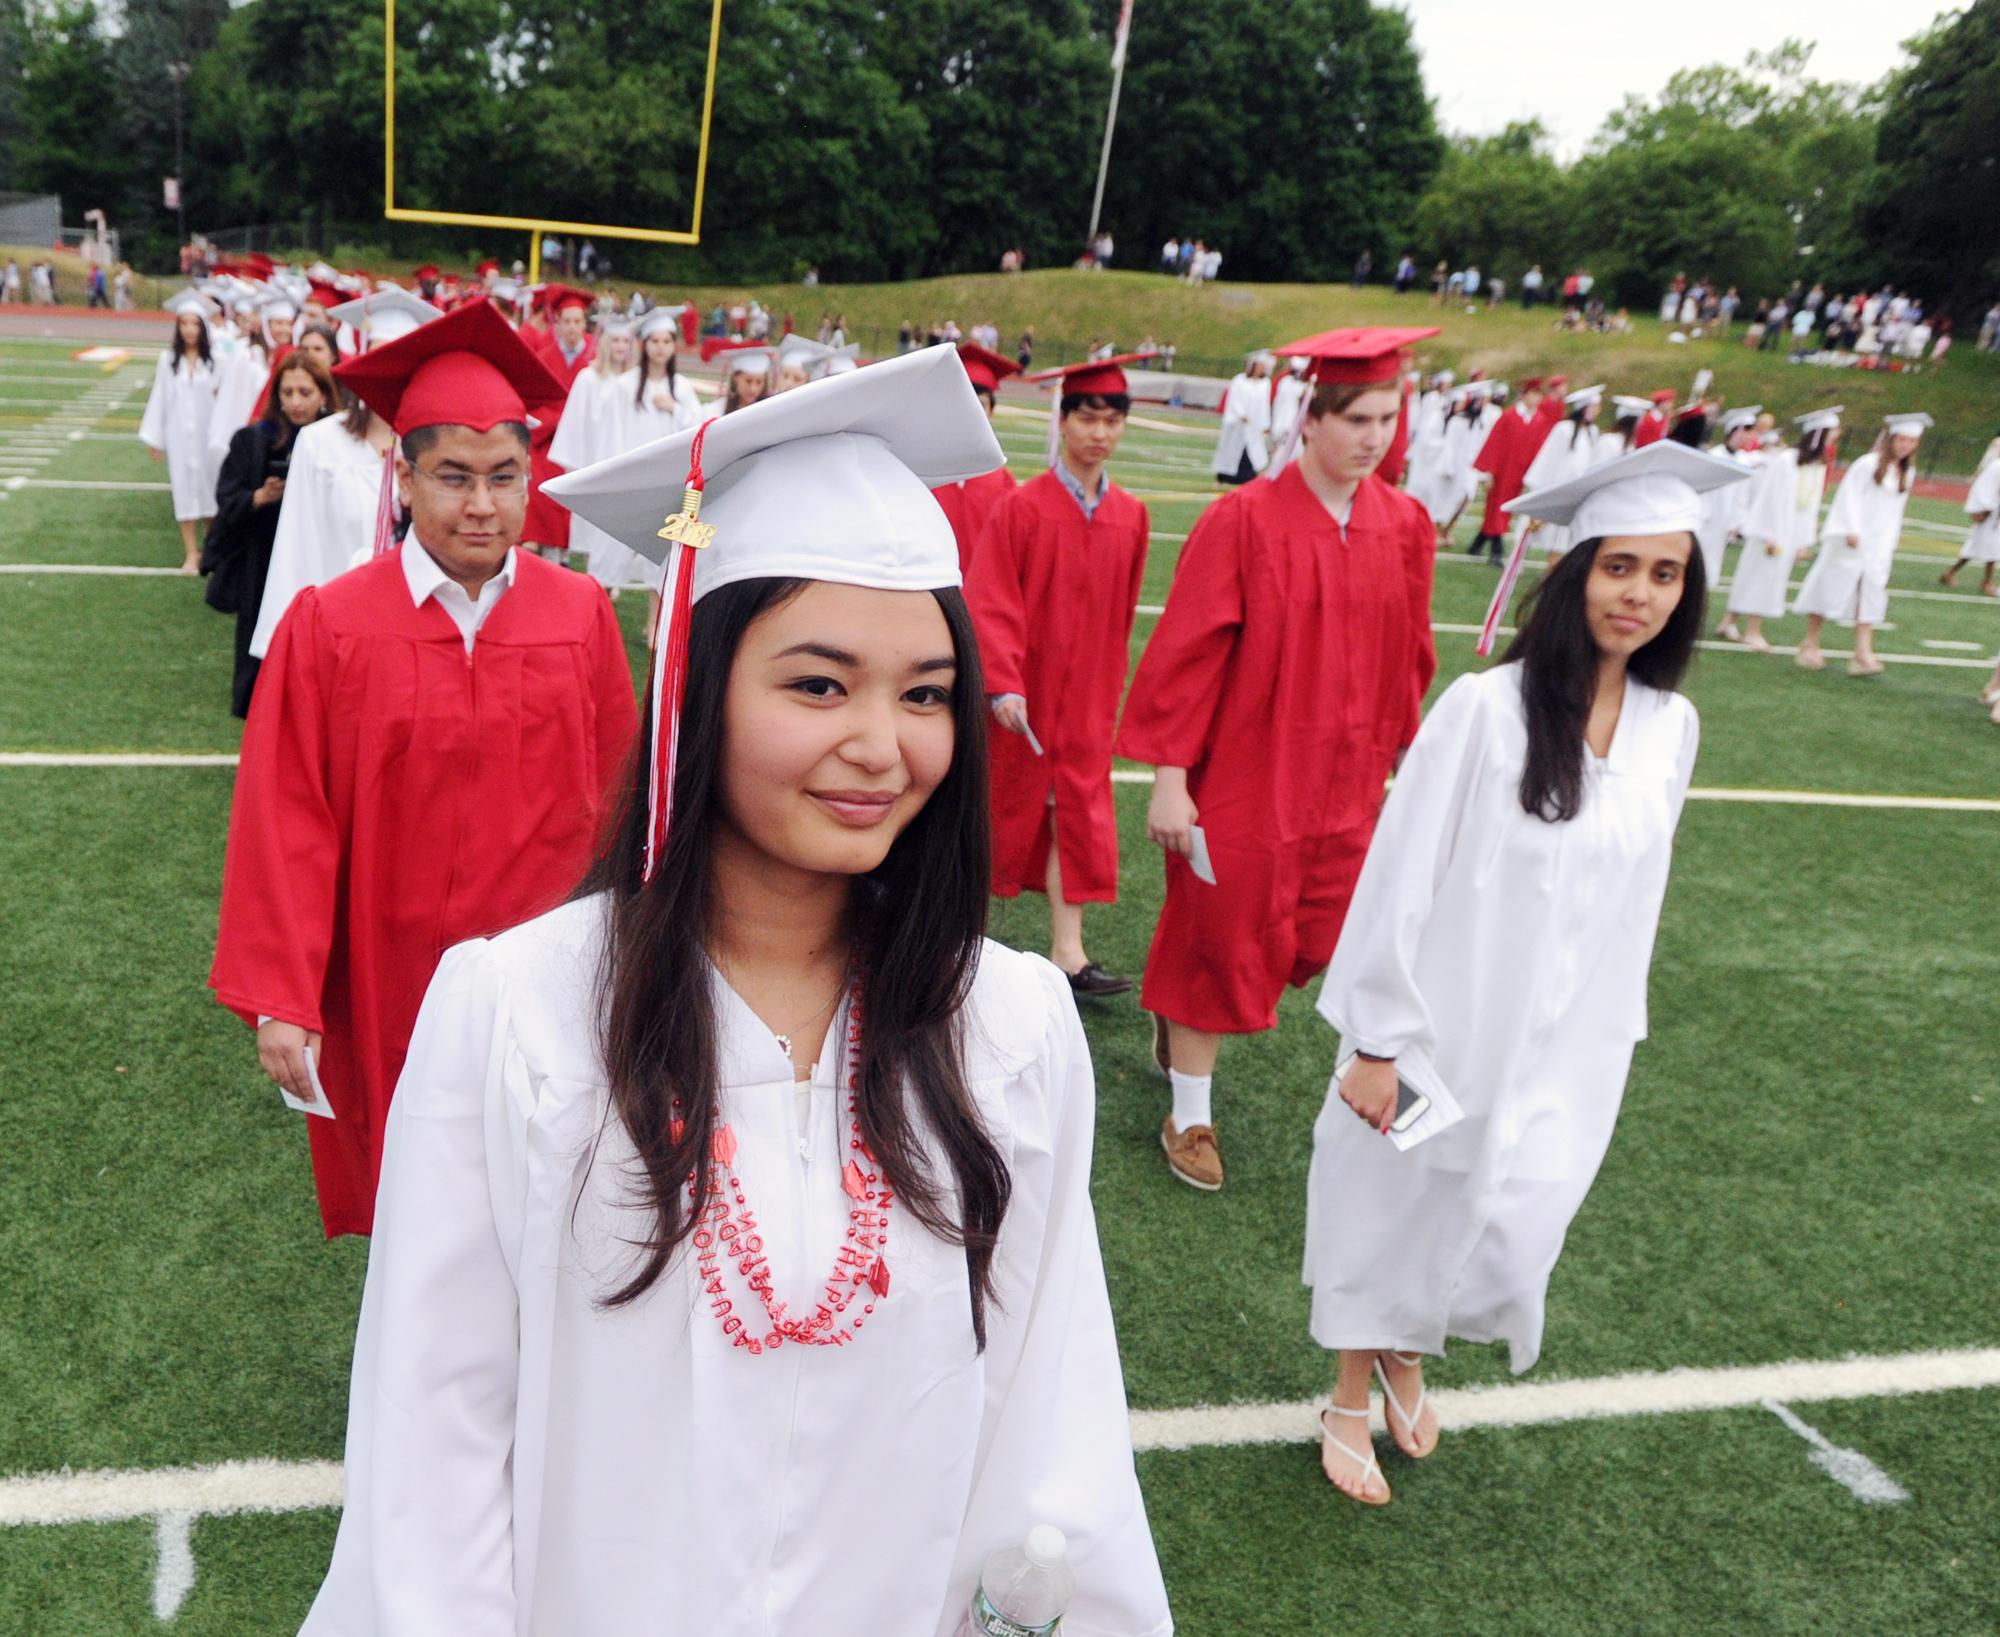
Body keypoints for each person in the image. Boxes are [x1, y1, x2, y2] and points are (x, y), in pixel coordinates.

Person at [299, 345, 1171, 1633]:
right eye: (818, 682)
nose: (882, 744)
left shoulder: (1006, 1028)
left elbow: (1049, 1414)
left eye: (925, 693)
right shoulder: (519, 1016)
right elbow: (435, 1455)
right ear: (698, 685)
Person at [1304, 440, 1746, 1505]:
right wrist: (1374, 1040)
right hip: (1437, 1027)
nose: (1636, 593)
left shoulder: (1669, 727)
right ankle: (1349, 1390)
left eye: (1663, 573)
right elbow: (1399, 875)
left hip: (1570, 1042)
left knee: (1509, 1212)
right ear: (1574, 571)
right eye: (1617, 566)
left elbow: (1640, 892)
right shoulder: (1483, 709)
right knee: (1397, 1199)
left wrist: (1613, 1029)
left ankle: (1411, 1349)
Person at [210, 300, 637, 1240]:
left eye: (504, 477)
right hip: (388, 970)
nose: (481, 504)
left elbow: (621, 801)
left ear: (534, 482)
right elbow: (286, 815)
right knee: (416, 1204)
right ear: (402, 477)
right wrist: (283, 994)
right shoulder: (331, 624)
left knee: (550, 1197)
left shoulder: (580, 617)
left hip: (550, 972)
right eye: (452, 476)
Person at [1116, 327, 1440, 1192]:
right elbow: (1188, 654)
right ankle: (1190, 1110)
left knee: (1354, 936)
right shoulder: (1245, 522)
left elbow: (1411, 649)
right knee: (1217, 933)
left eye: (1388, 418)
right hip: (1251, 775)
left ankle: (1379, 1083)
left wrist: (1410, 756)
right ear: (1313, 417)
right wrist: (1172, 780)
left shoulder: (1404, 525)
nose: (1375, 437)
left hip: (1353, 779)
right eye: (1359, 418)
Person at [964, 356, 1148, 999]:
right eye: (1087, 418)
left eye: (1112, 421)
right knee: (998, 809)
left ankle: (1069, 953)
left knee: (1076, 813)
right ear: (1063, 421)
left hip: (1090, 698)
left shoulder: (1131, 515)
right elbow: (992, 600)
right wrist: (1005, 681)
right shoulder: (1022, 509)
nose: (1099, 433)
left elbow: (1124, 614)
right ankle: (962, 937)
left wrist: (1109, 688)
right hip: (1026, 692)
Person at [250, 290, 442, 660]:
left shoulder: (439, 450)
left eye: (402, 359)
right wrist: (286, 644)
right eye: (381, 356)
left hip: (418, 640)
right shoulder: (321, 442)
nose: (392, 372)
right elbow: (295, 549)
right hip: (338, 638)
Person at [200, 351, 335, 717]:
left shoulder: (337, 444)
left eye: (305, 392)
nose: (295, 402)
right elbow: (226, 499)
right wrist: (259, 497)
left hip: (321, 562)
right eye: (287, 392)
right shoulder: (253, 440)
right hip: (262, 562)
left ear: (324, 394)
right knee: (262, 650)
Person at [1793, 413, 1930, 676]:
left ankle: (1862, 652)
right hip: (1852, 539)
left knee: (1871, 593)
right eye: (1902, 439)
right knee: (1830, 586)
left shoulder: (1905, 471)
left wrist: (1891, 541)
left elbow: (1895, 511)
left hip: (1879, 543)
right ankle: (1810, 643)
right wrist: (1850, 529)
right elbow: (1849, 497)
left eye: (1912, 441)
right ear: (1892, 438)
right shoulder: (1867, 464)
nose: (1905, 445)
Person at [1721, 408, 1839, 651]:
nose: (1832, 439)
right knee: (1759, 577)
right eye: (1829, 435)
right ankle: (1753, 630)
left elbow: (1811, 505)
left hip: (1792, 531)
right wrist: (1769, 533)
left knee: (1764, 578)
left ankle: (1728, 621)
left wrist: (1804, 541)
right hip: (1772, 530)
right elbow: (1770, 498)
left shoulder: (1815, 465)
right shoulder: (1787, 461)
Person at [138, 290, 226, 574]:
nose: (190, 329)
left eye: (195, 323)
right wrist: (156, 437)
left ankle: (212, 550)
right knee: (184, 491)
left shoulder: (217, 361)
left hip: (207, 436)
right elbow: (160, 397)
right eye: (184, 323)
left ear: (203, 327)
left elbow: (226, 400)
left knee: (210, 491)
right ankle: (192, 552)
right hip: (178, 435)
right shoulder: (168, 361)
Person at [548, 314, 640, 585]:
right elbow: (574, 425)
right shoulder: (589, 379)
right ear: (604, 343)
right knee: (594, 535)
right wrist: (574, 469)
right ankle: (595, 585)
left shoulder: (636, 382)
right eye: (615, 340)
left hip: (628, 471)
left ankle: (614, 583)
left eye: (626, 340)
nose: (621, 346)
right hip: (594, 465)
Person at [932, 341, 1020, 574]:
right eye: (963, 402)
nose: (971, 413)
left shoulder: (1005, 485)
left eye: (980, 405)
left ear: (992, 412)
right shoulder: (925, 474)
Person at [523, 285, 598, 558]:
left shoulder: (597, 360)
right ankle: (551, 554)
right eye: (566, 321)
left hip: (586, 443)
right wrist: (561, 419)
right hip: (548, 443)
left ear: (585, 323)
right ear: (556, 324)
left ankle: (570, 557)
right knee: (544, 490)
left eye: (577, 321)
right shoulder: (543, 359)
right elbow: (532, 406)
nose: (572, 328)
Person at [1512, 385, 1607, 560]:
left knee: (1562, 539)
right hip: (1554, 485)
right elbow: (1548, 457)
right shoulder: (1564, 429)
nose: (1597, 411)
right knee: (1534, 527)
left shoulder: (1592, 432)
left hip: (1573, 491)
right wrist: (1540, 487)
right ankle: (1517, 560)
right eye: (1594, 407)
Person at [1467, 375, 1551, 559]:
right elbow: (1494, 444)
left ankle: (1478, 543)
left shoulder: (1539, 420)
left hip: (1522, 472)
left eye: (1539, 395)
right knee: (1497, 508)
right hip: (1503, 471)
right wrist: (1489, 471)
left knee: (1508, 509)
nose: (1537, 399)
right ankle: (1497, 550)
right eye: (1533, 394)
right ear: (1524, 395)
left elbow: (1540, 449)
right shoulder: (1509, 416)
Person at [1942, 429, 2000, 596]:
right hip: (1991, 514)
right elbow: (1984, 487)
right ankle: (1987, 581)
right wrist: (1984, 508)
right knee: (1991, 548)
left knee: (1978, 548)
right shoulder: (1997, 466)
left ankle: (1950, 573)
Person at [1211, 351, 1274, 484]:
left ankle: (1246, 477)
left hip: (1253, 425)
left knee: (1252, 451)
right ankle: (1224, 476)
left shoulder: (1265, 383)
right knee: (1232, 450)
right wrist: (1241, 414)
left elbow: (1264, 405)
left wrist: (1265, 424)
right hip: (1237, 423)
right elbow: (1234, 399)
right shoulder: (1239, 380)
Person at [720, 347, 773, 413]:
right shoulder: (717, 410)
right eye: (748, 381)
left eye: (759, 382)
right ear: (736, 377)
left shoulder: (770, 411)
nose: (753, 389)